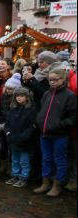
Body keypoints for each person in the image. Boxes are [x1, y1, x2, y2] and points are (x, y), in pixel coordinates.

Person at [34, 62, 77, 197]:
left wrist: (59, 125)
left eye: (55, 80)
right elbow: (43, 110)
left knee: (59, 159)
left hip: (60, 135)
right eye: (50, 80)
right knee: (46, 158)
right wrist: (39, 122)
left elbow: (73, 117)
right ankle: (46, 182)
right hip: (44, 133)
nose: (52, 82)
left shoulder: (69, 96)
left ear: (63, 79)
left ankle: (57, 184)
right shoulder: (47, 93)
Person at [4, 87, 37, 187]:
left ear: (27, 97)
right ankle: (15, 175)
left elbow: (32, 126)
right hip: (13, 139)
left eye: (22, 96)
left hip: (24, 141)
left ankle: (24, 177)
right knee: (15, 159)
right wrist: (8, 133)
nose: (19, 98)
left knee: (24, 161)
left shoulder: (31, 110)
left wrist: (24, 137)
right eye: (17, 96)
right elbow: (7, 123)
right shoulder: (13, 109)